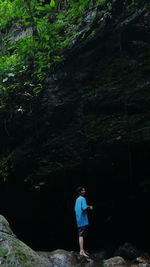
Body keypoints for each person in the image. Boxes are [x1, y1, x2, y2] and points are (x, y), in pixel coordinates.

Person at [74, 186, 93, 257]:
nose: (84, 191)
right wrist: (89, 207)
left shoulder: (77, 199)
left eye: (84, 190)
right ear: (80, 192)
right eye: (83, 190)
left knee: (82, 234)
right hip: (82, 219)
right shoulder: (83, 199)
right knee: (81, 235)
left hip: (78, 219)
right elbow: (84, 208)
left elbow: (75, 209)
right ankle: (81, 251)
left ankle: (83, 249)